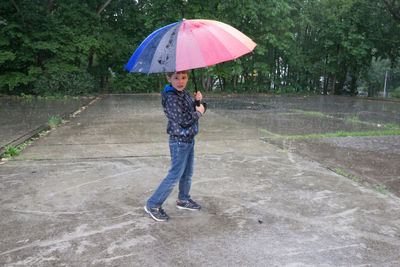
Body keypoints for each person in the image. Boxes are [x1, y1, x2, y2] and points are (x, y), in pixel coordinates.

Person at [144, 70, 205, 222]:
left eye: (183, 77)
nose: (180, 81)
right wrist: (199, 112)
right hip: (179, 141)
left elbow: (189, 110)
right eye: (176, 78)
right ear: (169, 78)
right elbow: (184, 120)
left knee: (187, 173)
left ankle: (183, 199)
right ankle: (153, 204)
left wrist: (197, 102)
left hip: (189, 139)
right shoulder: (171, 97)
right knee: (175, 174)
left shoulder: (183, 93)